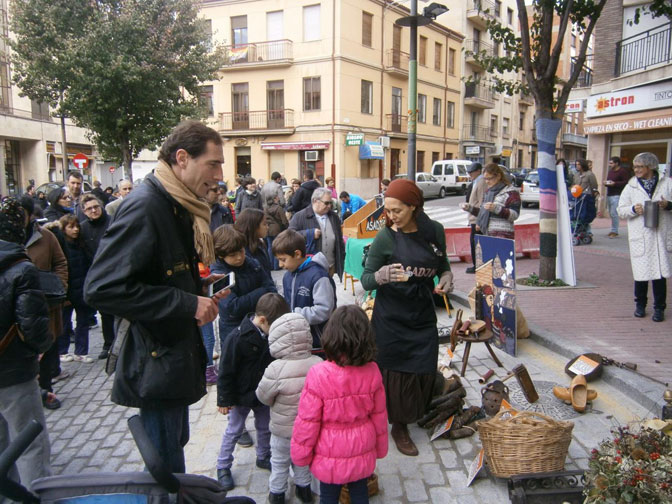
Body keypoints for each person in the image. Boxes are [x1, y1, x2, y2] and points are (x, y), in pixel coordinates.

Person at [84, 121, 229, 473]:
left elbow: (158, 274)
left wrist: (200, 292)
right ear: (182, 158)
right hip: (155, 365)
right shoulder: (147, 205)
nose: (220, 175)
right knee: (166, 471)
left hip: (171, 360)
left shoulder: (176, 203)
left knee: (173, 455)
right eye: (213, 163)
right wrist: (187, 303)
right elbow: (101, 288)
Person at [361, 178, 452, 456]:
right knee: (397, 375)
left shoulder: (434, 231)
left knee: (424, 367)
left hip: (423, 314)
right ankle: (398, 426)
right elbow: (365, 280)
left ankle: (419, 411)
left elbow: (443, 264)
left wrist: (447, 277)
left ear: (414, 207)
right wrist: (381, 276)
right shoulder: (385, 237)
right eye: (387, 210)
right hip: (391, 318)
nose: (390, 216)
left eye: (396, 210)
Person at [291, 305, 388, 504]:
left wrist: (301, 455)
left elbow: (307, 422)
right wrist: (381, 448)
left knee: (328, 496)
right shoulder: (373, 371)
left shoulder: (318, 374)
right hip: (362, 447)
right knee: (360, 493)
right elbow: (379, 415)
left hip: (329, 452)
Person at [0, 197, 53, 496]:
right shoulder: (22, 268)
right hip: (14, 372)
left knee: (2, 446)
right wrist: (40, 348)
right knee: (30, 442)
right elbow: (33, 326)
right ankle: (37, 497)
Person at [216, 293, 290, 491]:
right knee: (234, 430)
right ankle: (223, 466)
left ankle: (263, 455)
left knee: (265, 426)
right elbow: (226, 371)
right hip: (240, 395)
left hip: (262, 393)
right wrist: (224, 399)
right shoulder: (237, 338)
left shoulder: (271, 335)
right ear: (263, 320)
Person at [256, 313, 322, 504]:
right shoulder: (317, 364)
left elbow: (263, 396)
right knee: (302, 460)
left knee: (279, 461)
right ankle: (304, 490)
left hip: (281, 430)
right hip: (308, 430)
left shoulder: (275, 369)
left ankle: (277, 493)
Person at [19, 197, 69, 410]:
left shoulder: (46, 236)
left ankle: (47, 389)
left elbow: (60, 262)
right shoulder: (8, 238)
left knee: (48, 347)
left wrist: (59, 286)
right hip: (19, 306)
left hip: (46, 302)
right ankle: (30, 392)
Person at [617, 152, 672, 322]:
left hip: (660, 236)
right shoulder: (631, 186)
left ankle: (659, 308)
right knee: (640, 275)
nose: (636, 170)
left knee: (660, 275)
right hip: (640, 236)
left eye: (640, 166)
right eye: (635, 167)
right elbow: (620, 210)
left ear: (650, 167)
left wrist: (668, 205)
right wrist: (634, 209)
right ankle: (640, 306)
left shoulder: (667, 183)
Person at [210, 224, 276, 361]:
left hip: (259, 326)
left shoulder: (252, 263)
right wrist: (261, 292)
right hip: (234, 330)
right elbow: (232, 306)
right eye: (233, 255)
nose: (239, 257)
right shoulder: (218, 275)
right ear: (221, 256)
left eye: (241, 251)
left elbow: (271, 289)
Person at [272, 229, 336, 353]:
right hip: (297, 339)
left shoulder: (318, 276)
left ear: (297, 254)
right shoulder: (287, 276)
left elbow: (324, 310)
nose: (280, 265)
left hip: (318, 341)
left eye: (283, 259)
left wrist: (294, 314)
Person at [56, 215, 95, 363]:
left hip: (81, 289)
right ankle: (63, 351)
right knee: (65, 323)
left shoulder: (82, 245)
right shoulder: (61, 246)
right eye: (71, 227)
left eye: (77, 226)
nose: (76, 229)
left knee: (83, 322)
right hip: (67, 291)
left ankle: (81, 351)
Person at [289, 187, 345, 279]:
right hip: (310, 269)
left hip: (330, 267)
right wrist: (309, 234)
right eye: (326, 203)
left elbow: (339, 240)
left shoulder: (334, 217)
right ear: (315, 201)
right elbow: (289, 236)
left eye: (331, 203)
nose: (329, 206)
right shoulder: (300, 216)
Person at [460, 163, 521, 240]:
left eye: (489, 178)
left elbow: (515, 215)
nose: (487, 182)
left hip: (504, 237)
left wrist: (496, 208)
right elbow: (482, 212)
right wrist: (469, 208)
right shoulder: (489, 192)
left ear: (498, 176)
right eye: (485, 179)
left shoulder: (511, 192)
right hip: (487, 235)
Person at [235, 208, 273, 277]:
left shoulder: (259, 244)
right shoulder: (241, 250)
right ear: (253, 226)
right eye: (264, 224)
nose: (267, 227)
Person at [464, 162, 484, 274]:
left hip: (477, 218)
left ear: (478, 171)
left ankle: (477, 265)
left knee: (476, 242)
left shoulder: (481, 182)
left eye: (471, 172)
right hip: (473, 216)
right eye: (469, 172)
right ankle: (476, 264)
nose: (470, 174)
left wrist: (479, 221)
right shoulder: (476, 181)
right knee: (474, 242)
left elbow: (481, 201)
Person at [604, 156, 629, 238]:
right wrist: (606, 183)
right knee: (611, 213)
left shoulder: (622, 171)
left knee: (614, 213)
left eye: (611, 163)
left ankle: (614, 231)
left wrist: (615, 183)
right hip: (609, 194)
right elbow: (609, 180)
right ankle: (613, 230)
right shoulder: (610, 171)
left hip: (617, 194)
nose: (609, 165)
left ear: (617, 163)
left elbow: (626, 182)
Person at [265, 194, 289, 271]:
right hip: (277, 229)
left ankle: (271, 265)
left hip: (268, 229)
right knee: (277, 247)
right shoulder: (278, 208)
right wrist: (287, 227)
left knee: (269, 247)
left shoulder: (265, 208)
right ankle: (276, 265)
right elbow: (284, 220)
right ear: (274, 199)